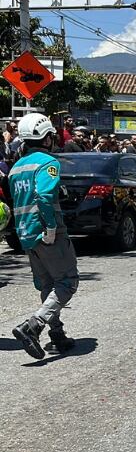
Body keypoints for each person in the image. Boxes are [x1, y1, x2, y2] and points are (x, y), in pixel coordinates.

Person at [8, 113, 79, 359]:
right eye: (52, 136)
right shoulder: (48, 162)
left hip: (25, 233)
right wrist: (50, 228)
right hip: (47, 231)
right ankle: (33, 325)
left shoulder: (16, 167)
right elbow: (44, 196)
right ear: (46, 138)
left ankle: (57, 334)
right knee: (67, 282)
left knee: (48, 285)